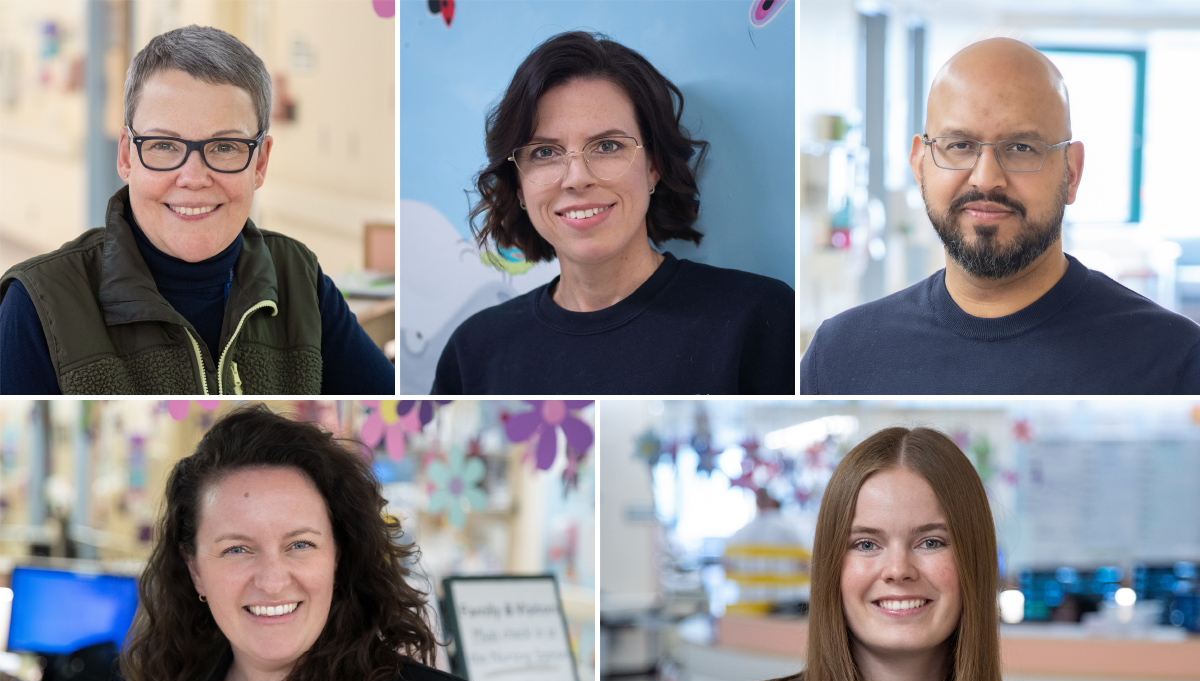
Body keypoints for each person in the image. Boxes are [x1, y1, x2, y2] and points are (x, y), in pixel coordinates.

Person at [11, 406, 509, 681]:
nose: (272, 580)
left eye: (299, 544)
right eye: (237, 549)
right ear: (195, 569)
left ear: (339, 555)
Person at [678, 427, 1086, 681]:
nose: (897, 570)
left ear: (973, 564)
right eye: (866, 544)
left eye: (930, 542)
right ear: (832, 568)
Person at [0, 25, 394, 395]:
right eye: (164, 145)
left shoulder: (299, 278)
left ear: (259, 163)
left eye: (224, 147)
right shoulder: (37, 307)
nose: (193, 177)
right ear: (126, 155)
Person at [800, 38, 1200, 394]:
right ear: (920, 164)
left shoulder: (1175, 361)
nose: (987, 179)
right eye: (959, 145)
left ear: (1072, 172)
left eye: (1022, 148)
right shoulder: (839, 354)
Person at [431, 31, 795, 394]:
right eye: (544, 152)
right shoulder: (473, 351)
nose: (577, 178)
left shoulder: (761, 318)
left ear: (654, 166)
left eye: (607, 146)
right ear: (519, 185)